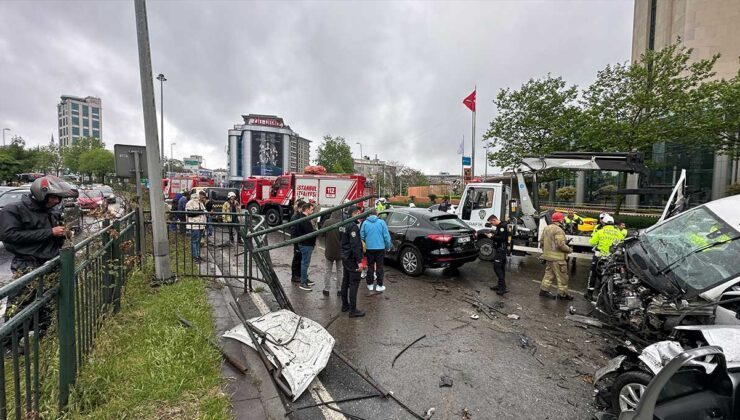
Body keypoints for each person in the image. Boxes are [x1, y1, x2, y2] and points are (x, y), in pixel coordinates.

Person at [0, 176, 78, 331]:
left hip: (49, 263)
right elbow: (9, 236)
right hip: (27, 263)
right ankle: (11, 344)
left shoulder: (51, 212)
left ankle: (41, 335)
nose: (56, 201)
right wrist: (49, 232)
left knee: (46, 303)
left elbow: (52, 236)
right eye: (54, 197)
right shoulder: (14, 210)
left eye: (59, 198)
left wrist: (64, 234)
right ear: (41, 194)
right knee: (21, 304)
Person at [587, 214, 625, 299]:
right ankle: (603, 294)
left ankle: (589, 294)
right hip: (612, 259)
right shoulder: (618, 233)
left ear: (604, 223)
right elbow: (622, 244)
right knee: (607, 276)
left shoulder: (600, 231)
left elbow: (592, 242)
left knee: (593, 274)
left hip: (599, 257)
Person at [539, 212, 574, 300]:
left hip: (548, 257)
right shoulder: (559, 230)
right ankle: (562, 294)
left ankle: (543, 291)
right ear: (560, 220)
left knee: (549, 275)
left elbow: (542, 241)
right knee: (563, 277)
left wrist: (546, 252)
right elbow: (560, 245)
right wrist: (569, 249)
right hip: (558, 258)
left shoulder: (547, 228)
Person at [341, 206, 366, 318]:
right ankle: (353, 310)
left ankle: (345, 305)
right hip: (351, 259)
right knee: (354, 283)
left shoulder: (344, 224)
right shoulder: (353, 226)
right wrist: (359, 261)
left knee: (345, 281)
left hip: (345, 257)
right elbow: (355, 245)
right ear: (354, 214)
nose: (359, 216)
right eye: (358, 214)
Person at [360, 208, 391, 292]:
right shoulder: (382, 222)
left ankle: (369, 284)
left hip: (369, 248)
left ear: (369, 215)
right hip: (380, 248)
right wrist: (388, 247)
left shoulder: (365, 223)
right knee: (380, 267)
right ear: (377, 214)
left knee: (370, 266)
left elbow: (361, 236)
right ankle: (379, 285)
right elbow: (386, 237)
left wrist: (366, 243)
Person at [294, 202, 317, 291]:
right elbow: (310, 232)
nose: (313, 211)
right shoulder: (304, 220)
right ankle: (303, 283)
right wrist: (316, 231)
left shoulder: (303, 218)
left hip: (305, 244)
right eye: (311, 209)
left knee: (304, 263)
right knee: (305, 264)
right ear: (307, 210)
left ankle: (304, 280)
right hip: (306, 244)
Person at [321, 210, 343, 297]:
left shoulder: (327, 222)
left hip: (329, 250)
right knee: (340, 271)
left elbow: (321, 233)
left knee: (327, 271)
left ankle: (326, 289)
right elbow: (343, 236)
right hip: (340, 251)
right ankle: (339, 289)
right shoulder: (342, 223)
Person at [485, 215, 509, 295]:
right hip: (501, 249)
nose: (492, 224)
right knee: (501, 268)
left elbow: (502, 238)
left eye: (491, 222)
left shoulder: (502, 226)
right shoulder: (501, 225)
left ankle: (503, 288)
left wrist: (491, 236)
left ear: (494, 220)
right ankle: (500, 285)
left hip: (501, 250)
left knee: (497, 268)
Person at [186, 190, 207, 263]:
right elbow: (189, 214)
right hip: (194, 225)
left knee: (198, 241)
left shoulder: (200, 203)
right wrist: (201, 212)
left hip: (201, 225)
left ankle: (197, 255)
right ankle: (195, 257)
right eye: (202, 196)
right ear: (198, 195)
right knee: (194, 241)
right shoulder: (190, 203)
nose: (203, 198)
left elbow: (204, 212)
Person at [289, 198, 306, 282]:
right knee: (296, 258)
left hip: (301, 241)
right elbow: (293, 230)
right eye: (303, 208)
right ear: (299, 208)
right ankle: (294, 276)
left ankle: (299, 275)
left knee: (300, 259)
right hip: (297, 241)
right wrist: (296, 242)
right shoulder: (295, 217)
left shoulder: (300, 216)